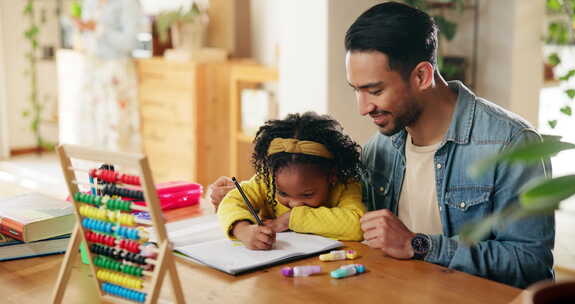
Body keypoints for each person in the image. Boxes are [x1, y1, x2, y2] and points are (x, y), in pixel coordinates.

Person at [210, 1, 554, 288]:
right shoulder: (381, 149)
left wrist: (418, 245)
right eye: (356, 90)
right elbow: (320, 204)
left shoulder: (510, 144)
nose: (362, 108)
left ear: (421, 76)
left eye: (374, 91)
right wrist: (240, 204)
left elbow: (531, 265)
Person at [216, 112, 366, 250]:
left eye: (307, 194)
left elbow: (358, 226)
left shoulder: (345, 185)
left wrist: (289, 219)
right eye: (283, 193)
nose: (294, 203)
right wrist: (242, 230)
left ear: (331, 176)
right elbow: (231, 201)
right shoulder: (266, 182)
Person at [72, 0, 143, 152]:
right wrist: (83, 29)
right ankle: (96, 173)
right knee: (91, 129)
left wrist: (99, 29)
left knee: (118, 129)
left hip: (116, 72)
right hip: (92, 72)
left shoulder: (128, 3)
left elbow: (130, 42)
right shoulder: (89, 3)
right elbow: (88, 40)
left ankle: (120, 174)